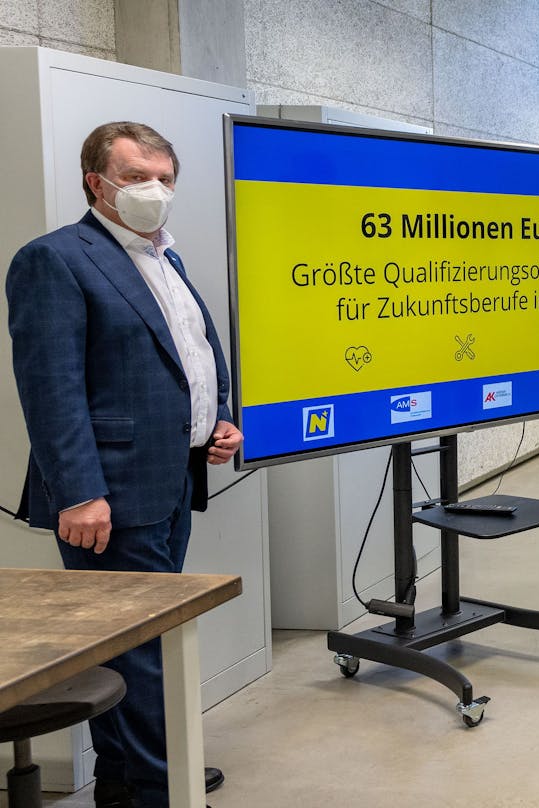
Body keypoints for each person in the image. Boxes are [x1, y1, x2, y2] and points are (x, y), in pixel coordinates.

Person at [7, 121, 240, 806]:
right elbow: (51, 389)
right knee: (136, 653)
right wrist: (78, 492)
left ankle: (131, 780)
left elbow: (188, 356)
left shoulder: (167, 257)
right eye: (137, 177)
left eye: (165, 177)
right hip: (107, 497)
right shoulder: (55, 259)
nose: (155, 190)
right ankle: (157, 786)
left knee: (150, 642)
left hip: (171, 481)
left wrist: (216, 422)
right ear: (96, 183)